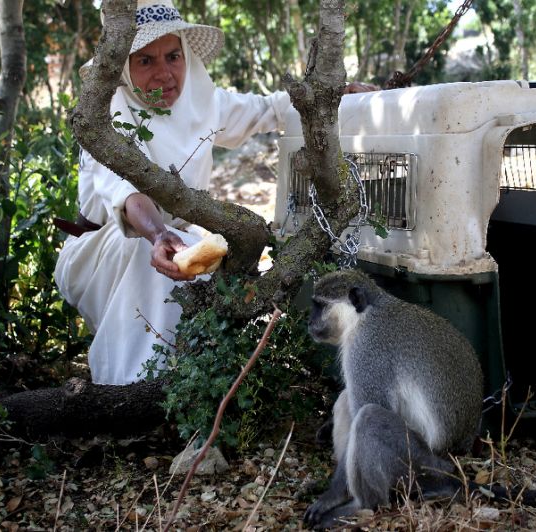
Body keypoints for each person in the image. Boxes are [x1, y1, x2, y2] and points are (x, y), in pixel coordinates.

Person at [55, 0, 375, 385]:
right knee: (145, 251)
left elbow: (268, 110)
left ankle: (190, 383)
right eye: (145, 61)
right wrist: (158, 235)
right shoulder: (106, 116)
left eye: (173, 56)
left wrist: (336, 94)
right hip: (103, 254)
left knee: (209, 257)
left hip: (175, 244)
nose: (165, 73)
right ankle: (128, 388)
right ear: (122, 67)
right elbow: (126, 195)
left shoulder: (201, 101)